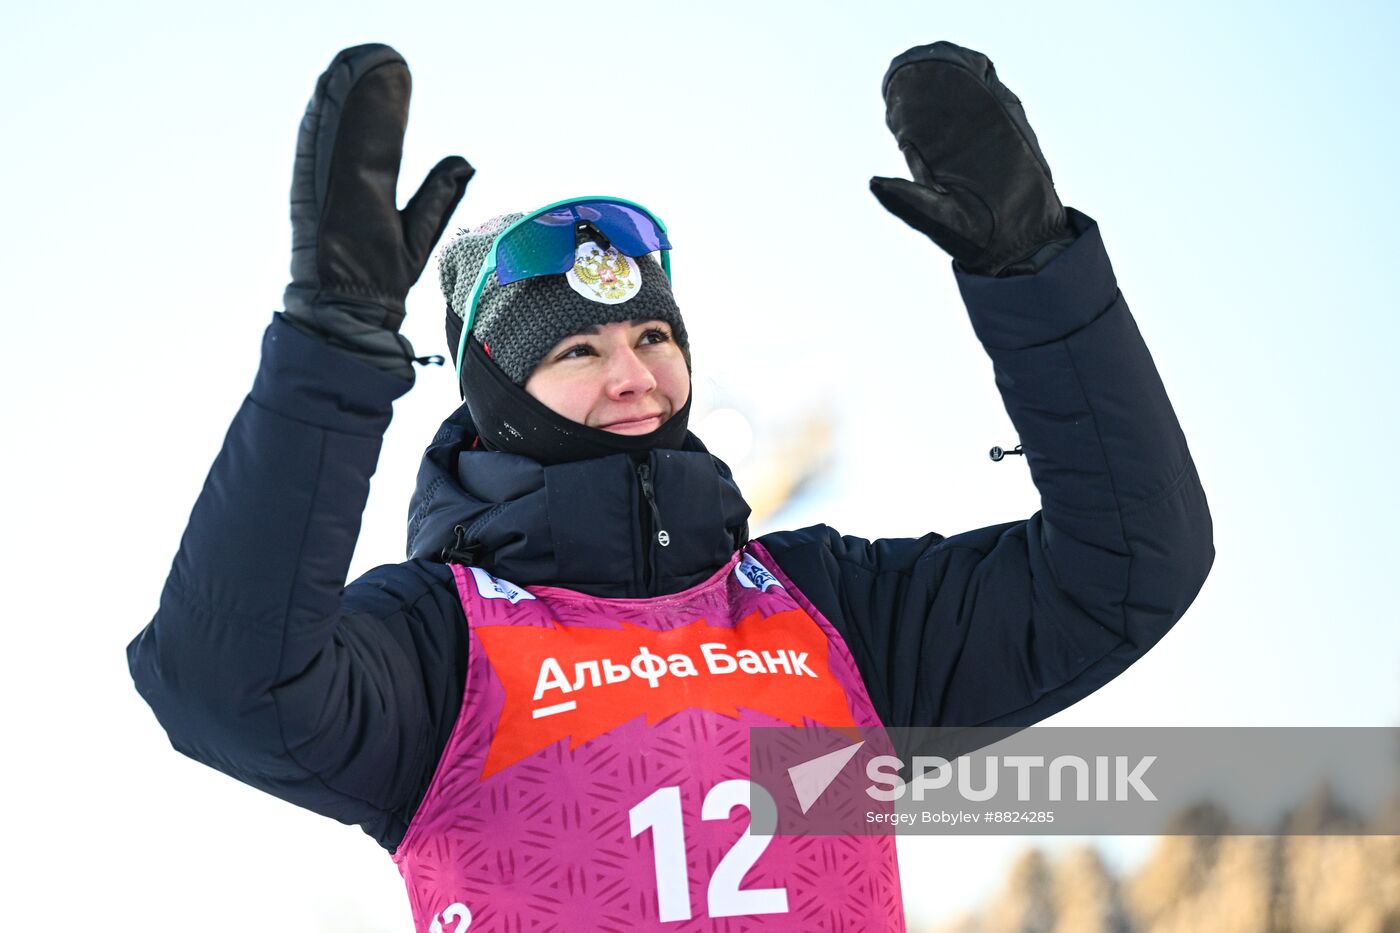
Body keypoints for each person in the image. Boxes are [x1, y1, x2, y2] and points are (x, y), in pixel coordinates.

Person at [128, 40, 1213, 932]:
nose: (633, 375)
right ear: (496, 392)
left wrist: (1034, 281)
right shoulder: (437, 645)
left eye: (652, 333)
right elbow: (223, 682)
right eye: (576, 351)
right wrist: (329, 351)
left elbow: (1124, 568)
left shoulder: (826, 612)